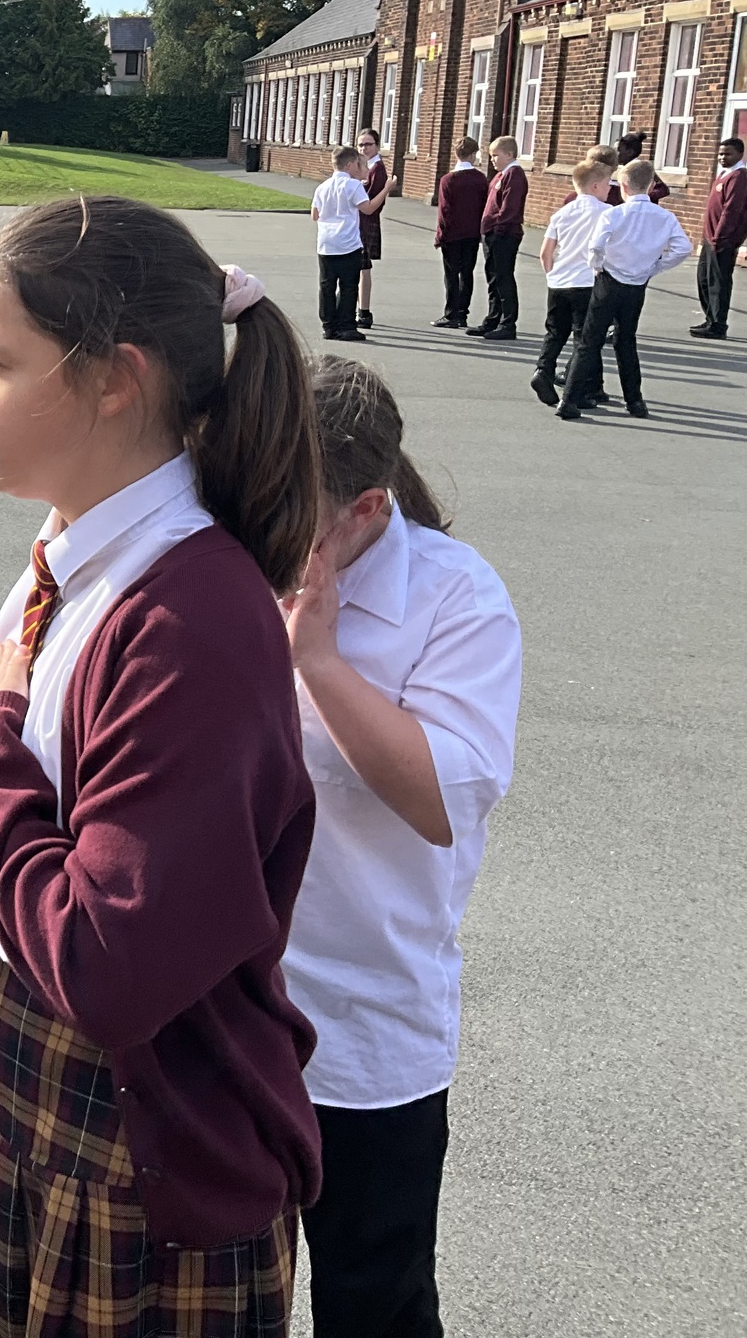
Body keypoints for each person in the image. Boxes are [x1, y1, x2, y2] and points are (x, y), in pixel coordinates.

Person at [0, 197, 323, 1337]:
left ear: (114, 379)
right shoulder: (75, 544)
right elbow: (45, 845)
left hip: (138, 1158)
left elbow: (108, 962)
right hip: (28, 1082)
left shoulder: (191, 621)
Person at [279, 357, 521, 1338]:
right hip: (220, 1017)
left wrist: (317, 661)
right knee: (209, 1295)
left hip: (363, 1030)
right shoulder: (225, 559)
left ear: (366, 509)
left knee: (372, 1302)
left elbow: (439, 799)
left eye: (283, 507)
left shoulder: (455, 598)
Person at [556, 159, 691, 422]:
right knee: (626, 340)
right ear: (650, 186)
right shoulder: (665, 217)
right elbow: (682, 248)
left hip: (609, 280)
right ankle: (635, 401)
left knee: (589, 340)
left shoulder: (614, 214)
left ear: (624, 186)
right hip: (637, 283)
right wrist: (656, 267)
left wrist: (597, 265)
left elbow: (596, 246)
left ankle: (569, 400)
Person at [532, 159, 615, 409]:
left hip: (559, 281)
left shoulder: (562, 213)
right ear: (595, 186)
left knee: (555, 332)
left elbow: (545, 253)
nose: (610, 189)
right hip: (587, 282)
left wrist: (552, 275)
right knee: (584, 339)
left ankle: (543, 369)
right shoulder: (607, 212)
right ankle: (576, 391)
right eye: (608, 184)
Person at [312, 145, 389, 342]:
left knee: (327, 285)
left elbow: (315, 214)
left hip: (326, 243)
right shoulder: (353, 186)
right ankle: (346, 326)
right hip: (347, 243)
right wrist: (386, 189)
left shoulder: (322, 187)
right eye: (356, 163)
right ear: (348, 165)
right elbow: (368, 208)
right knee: (348, 286)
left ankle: (328, 326)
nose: (358, 166)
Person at [468, 136, 528, 340]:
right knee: (493, 278)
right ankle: (493, 319)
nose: (492, 160)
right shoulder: (501, 175)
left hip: (503, 235)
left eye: (496, 155)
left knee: (503, 277)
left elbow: (509, 208)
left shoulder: (514, 175)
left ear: (509, 155)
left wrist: (497, 229)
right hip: (492, 233)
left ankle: (507, 323)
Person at [689, 136, 745, 339]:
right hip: (709, 238)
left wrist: (719, 237)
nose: (722, 157)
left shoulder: (739, 177)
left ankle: (718, 324)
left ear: (740, 154)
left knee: (718, 282)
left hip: (722, 240)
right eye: (720, 154)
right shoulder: (723, 174)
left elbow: (731, 211)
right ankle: (710, 318)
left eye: (728, 154)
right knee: (704, 279)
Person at [431, 139, 488, 329]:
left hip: (452, 234)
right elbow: (484, 207)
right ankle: (463, 313)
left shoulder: (448, 180)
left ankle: (451, 313)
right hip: (472, 234)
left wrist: (440, 235)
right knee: (467, 273)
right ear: (472, 155)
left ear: (456, 154)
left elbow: (444, 211)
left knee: (451, 275)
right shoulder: (480, 179)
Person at [356, 129, 387, 328]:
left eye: (368, 144)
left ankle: (364, 312)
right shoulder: (363, 166)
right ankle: (360, 309)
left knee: (363, 267)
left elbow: (373, 199)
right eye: (361, 144)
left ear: (376, 145)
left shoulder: (377, 168)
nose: (364, 148)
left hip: (366, 222)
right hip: (357, 221)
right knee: (359, 267)